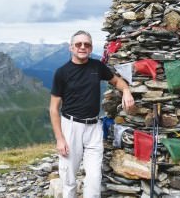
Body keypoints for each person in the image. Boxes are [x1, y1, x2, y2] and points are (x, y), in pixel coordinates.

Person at [49, 30, 134, 198]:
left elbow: (116, 80)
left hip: (94, 127)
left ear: (91, 47)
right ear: (71, 47)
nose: (82, 47)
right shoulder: (62, 72)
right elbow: (53, 108)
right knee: (69, 178)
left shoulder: (97, 66)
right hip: (71, 127)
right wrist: (60, 139)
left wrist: (126, 91)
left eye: (86, 44)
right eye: (78, 44)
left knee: (94, 178)